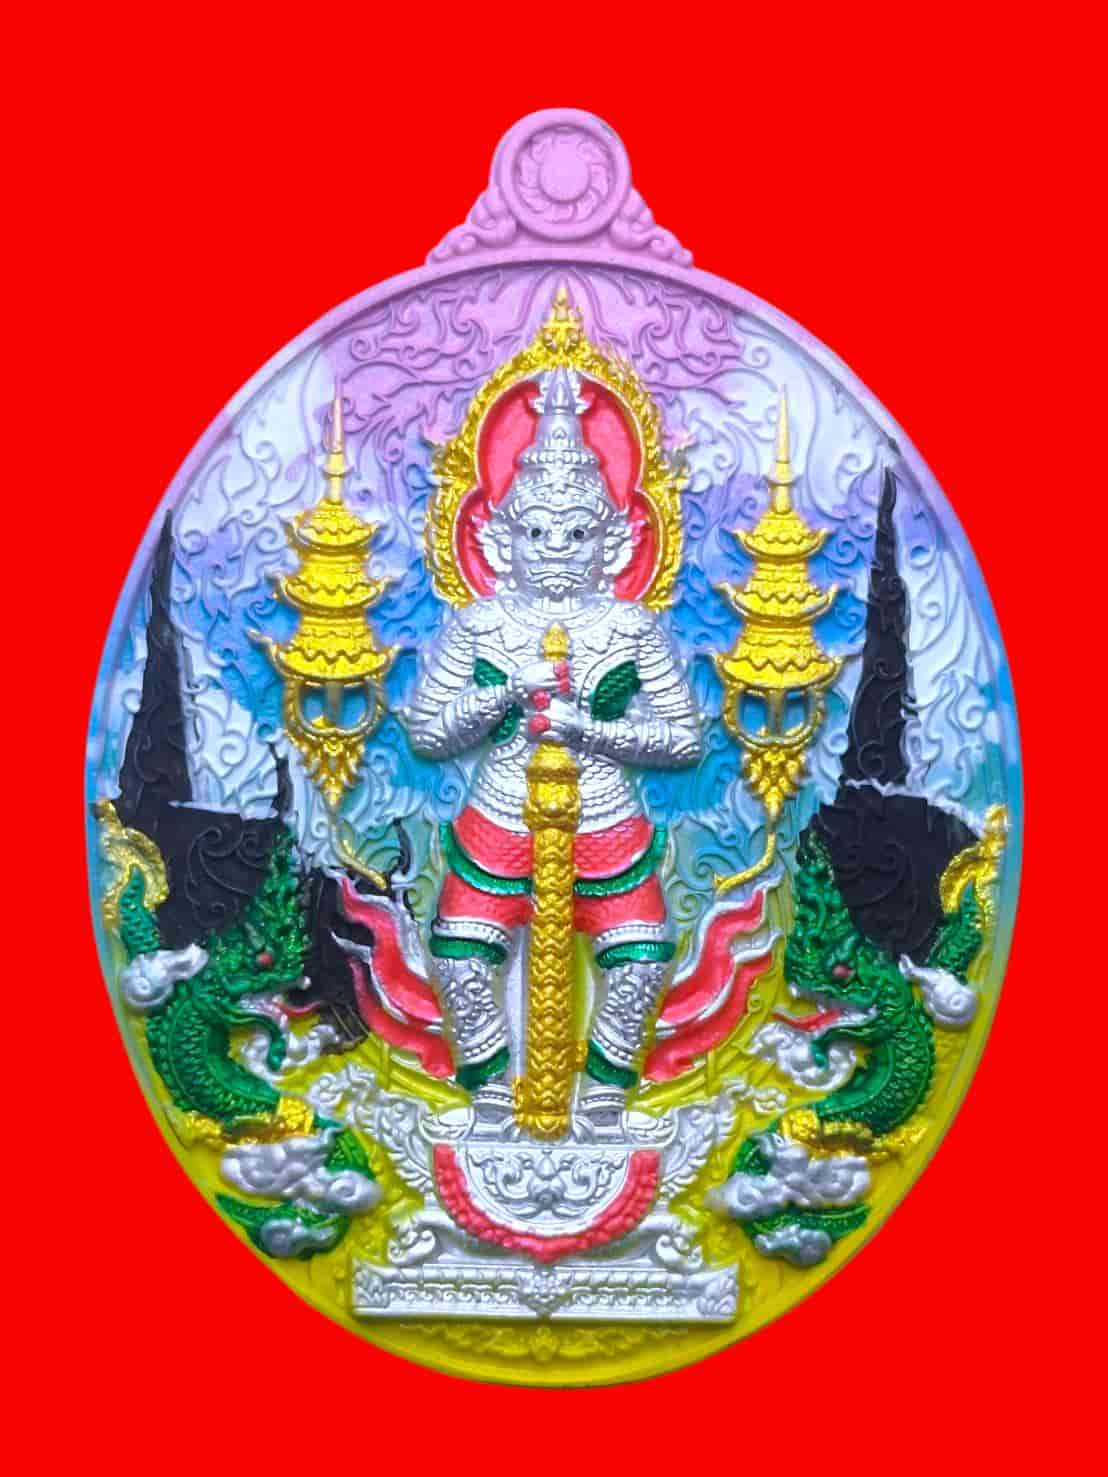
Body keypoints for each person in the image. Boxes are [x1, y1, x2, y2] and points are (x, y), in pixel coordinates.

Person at [407, 367, 701, 1122]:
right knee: (458, 956)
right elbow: (427, 732)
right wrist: (507, 690)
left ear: (616, 543)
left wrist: (590, 730)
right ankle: (489, 1092)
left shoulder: (631, 629)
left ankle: (601, 1093)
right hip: (500, 813)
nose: (557, 549)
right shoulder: (479, 626)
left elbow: (683, 738)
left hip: (605, 819)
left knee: (642, 960)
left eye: (577, 534)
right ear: (499, 540)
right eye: (536, 532)